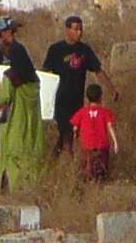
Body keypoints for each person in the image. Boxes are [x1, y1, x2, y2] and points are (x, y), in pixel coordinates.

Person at [0, 18, 46, 186]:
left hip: (12, 106)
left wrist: (6, 99)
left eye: (15, 31)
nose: (14, 34)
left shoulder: (17, 52)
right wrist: (1, 102)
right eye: (11, 31)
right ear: (2, 32)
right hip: (4, 102)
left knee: (9, 142)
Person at [42, 14, 105, 157]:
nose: (79, 33)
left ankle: (52, 160)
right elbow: (45, 72)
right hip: (60, 98)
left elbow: (98, 70)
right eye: (76, 29)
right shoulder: (56, 49)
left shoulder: (85, 50)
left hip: (77, 100)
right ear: (67, 30)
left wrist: (112, 89)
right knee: (68, 133)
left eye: (81, 29)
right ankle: (69, 168)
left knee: (67, 134)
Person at [73, 77, 120, 182]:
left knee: (86, 168)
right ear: (100, 97)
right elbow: (110, 127)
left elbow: (75, 128)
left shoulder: (82, 112)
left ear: (87, 98)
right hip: (102, 145)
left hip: (87, 145)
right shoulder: (105, 112)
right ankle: (101, 184)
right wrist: (115, 143)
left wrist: (76, 135)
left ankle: (88, 184)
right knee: (102, 169)